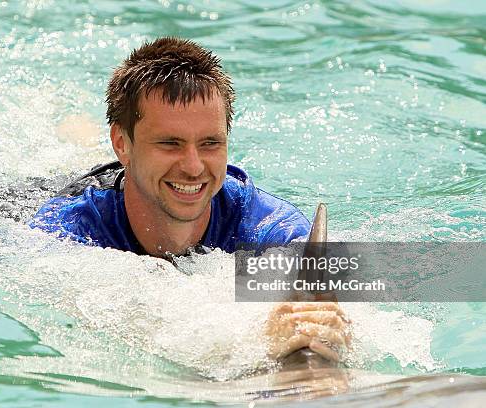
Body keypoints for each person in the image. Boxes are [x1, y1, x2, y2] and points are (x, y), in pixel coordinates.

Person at [30, 37, 349, 363]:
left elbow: (353, 294)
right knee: (68, 158)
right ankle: (73, 129)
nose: (194, 167)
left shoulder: (266, 225)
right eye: (170, 143)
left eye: (210, 143)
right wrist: (258, 340)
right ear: (122, 143)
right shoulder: (66, 228)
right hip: (42, 190)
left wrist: (330, 325)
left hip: (139, 174)